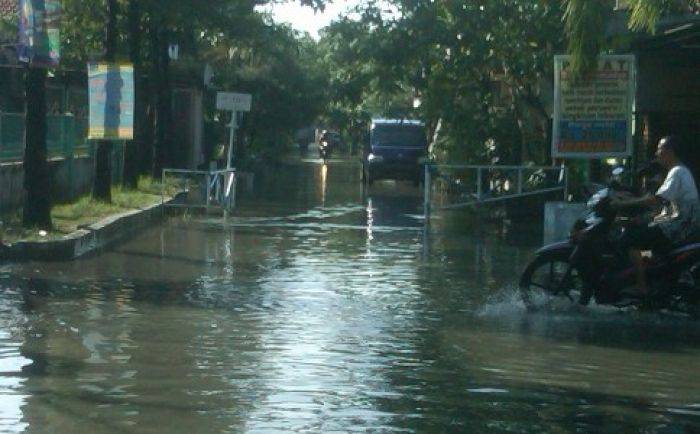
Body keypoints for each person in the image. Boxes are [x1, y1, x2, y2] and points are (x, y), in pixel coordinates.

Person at [613, 136, 700, 296]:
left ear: (670, 151)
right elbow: (661, 207)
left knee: (628, 240)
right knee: (638, 230)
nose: (657, 153)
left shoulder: (678, 172)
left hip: (677, 228)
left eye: (660, 149)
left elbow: (655, 200)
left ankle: (641, 286)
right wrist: (637, 217)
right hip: (675, 224)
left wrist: (622, 204)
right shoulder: (676, 172)